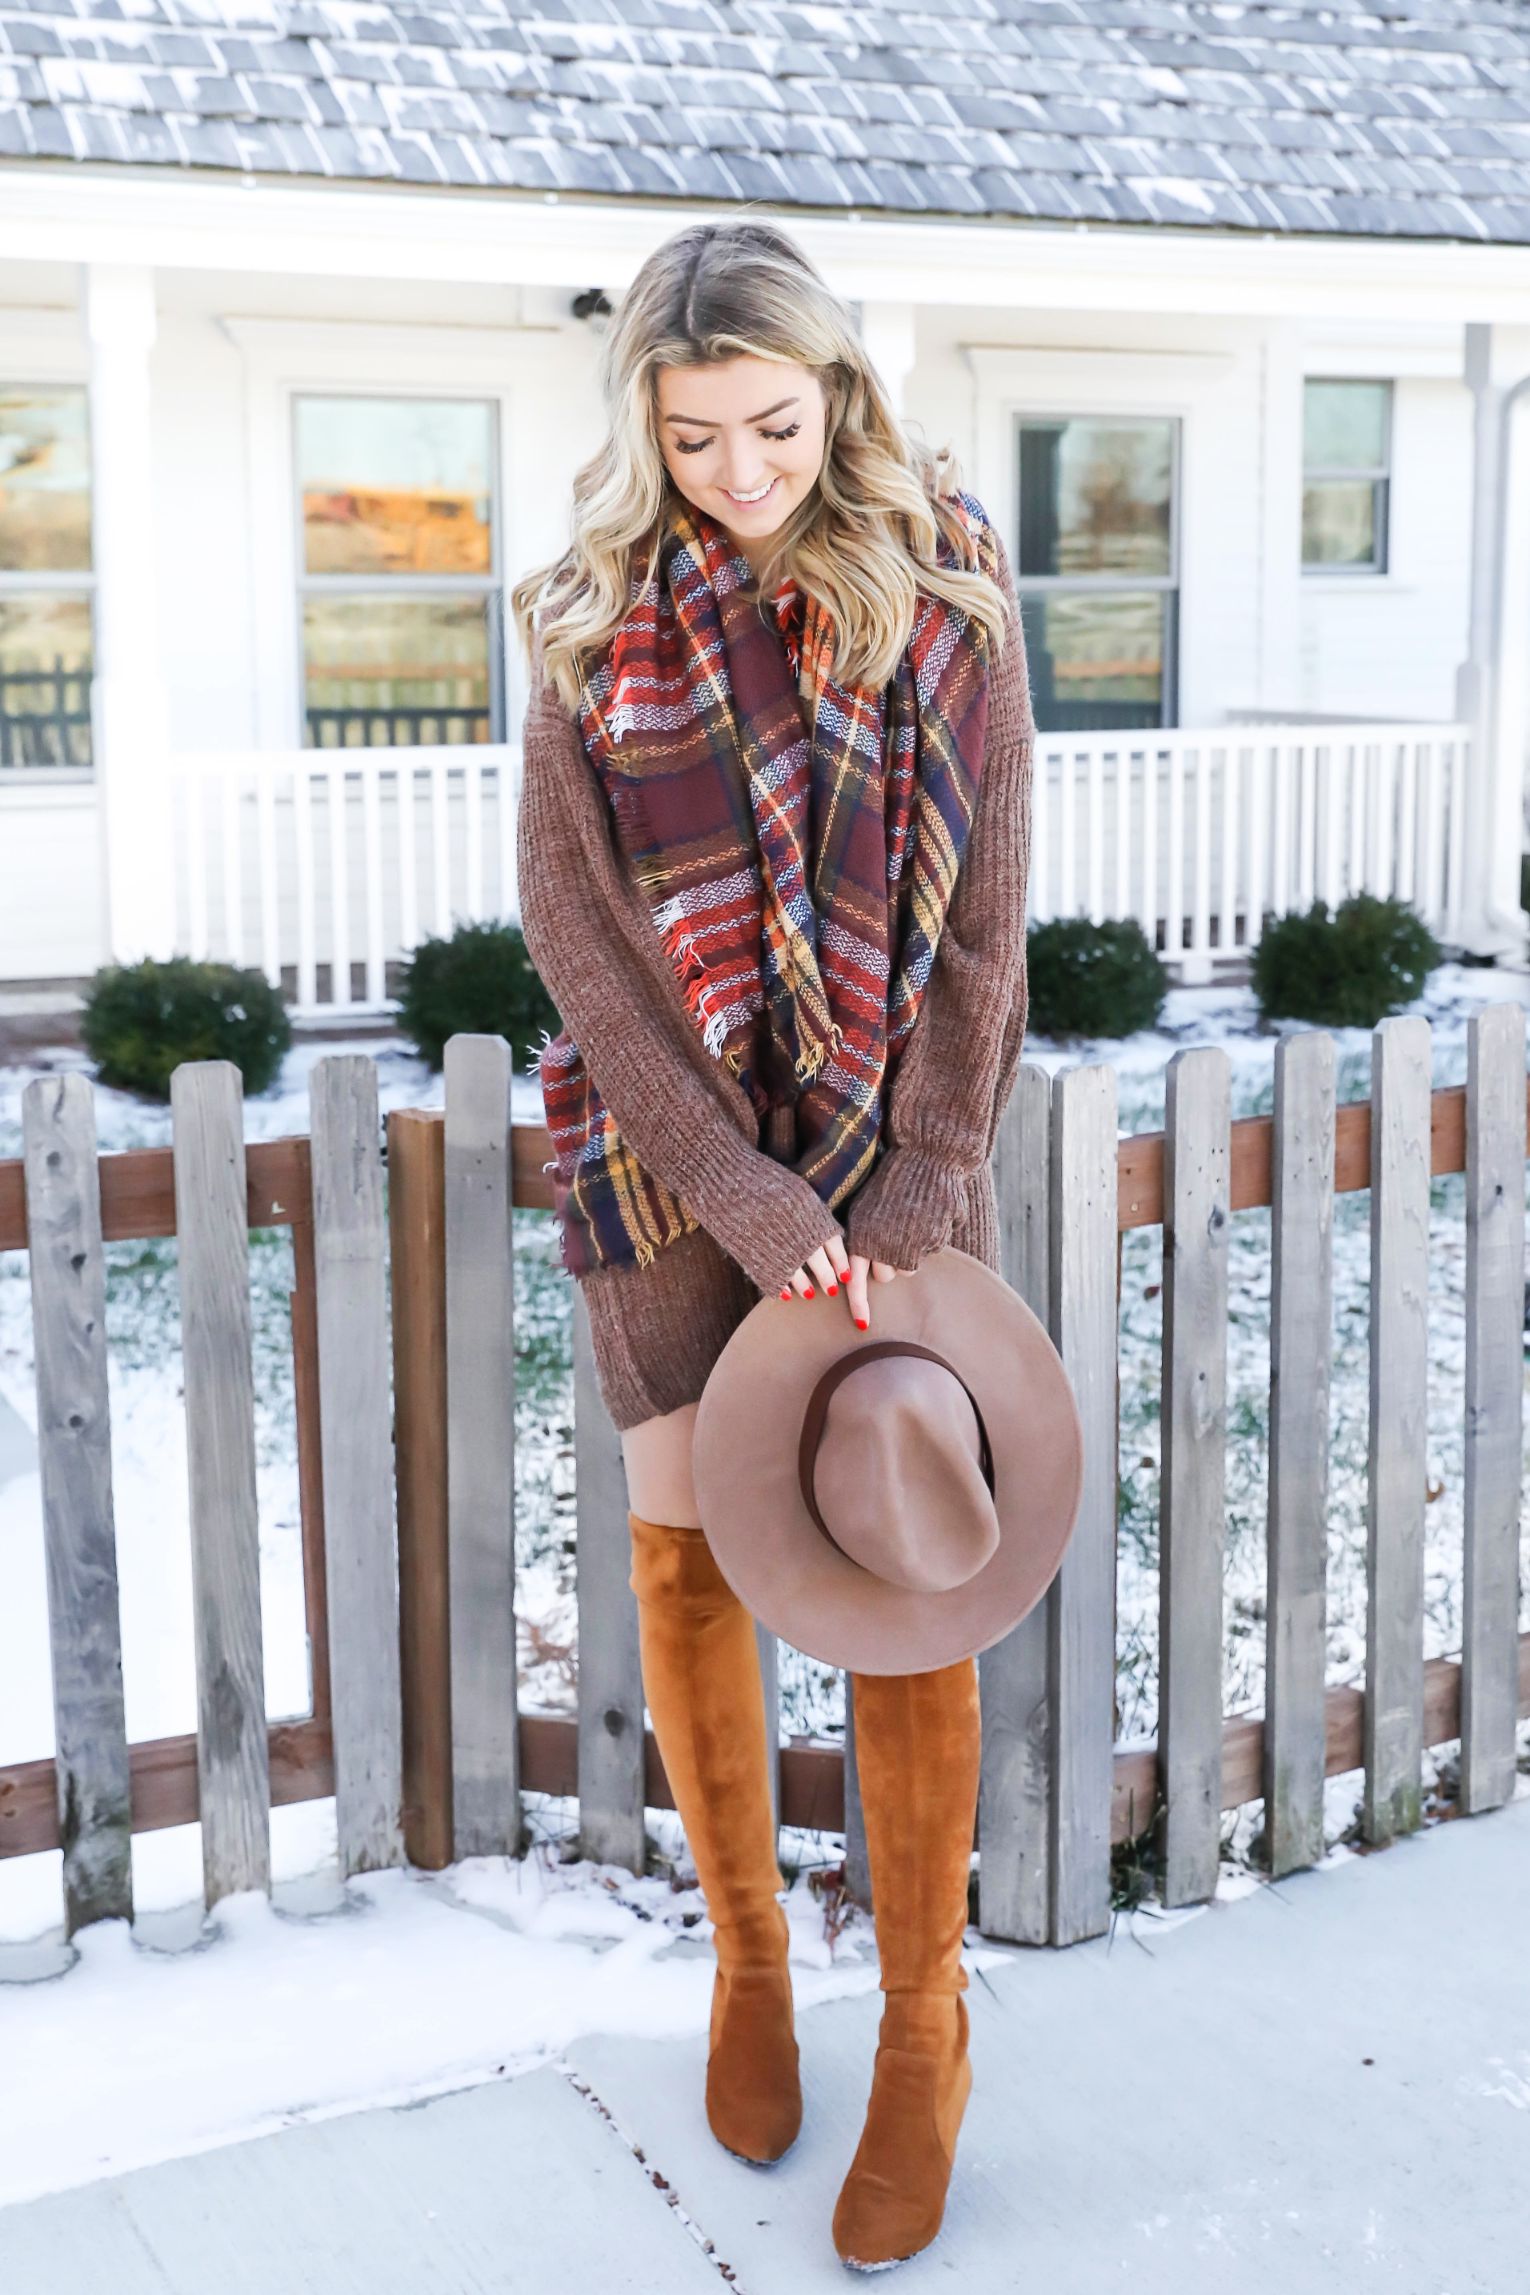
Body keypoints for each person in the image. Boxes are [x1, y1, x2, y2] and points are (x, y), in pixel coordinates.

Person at [510, 215, 1033, 2273]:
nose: (743, 468)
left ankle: (924, 2019)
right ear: (646, 427)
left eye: (777, 422)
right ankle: (749, 1957)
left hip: (900, 1158)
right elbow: (581, 939)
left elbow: (987, 931)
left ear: (843, 393)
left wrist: (905, 1185)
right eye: (699, 433)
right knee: (689, 1562)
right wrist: (750, 1196)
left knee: (918, 1562)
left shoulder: (954, 601)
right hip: (676, 1183)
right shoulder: (579, 620)